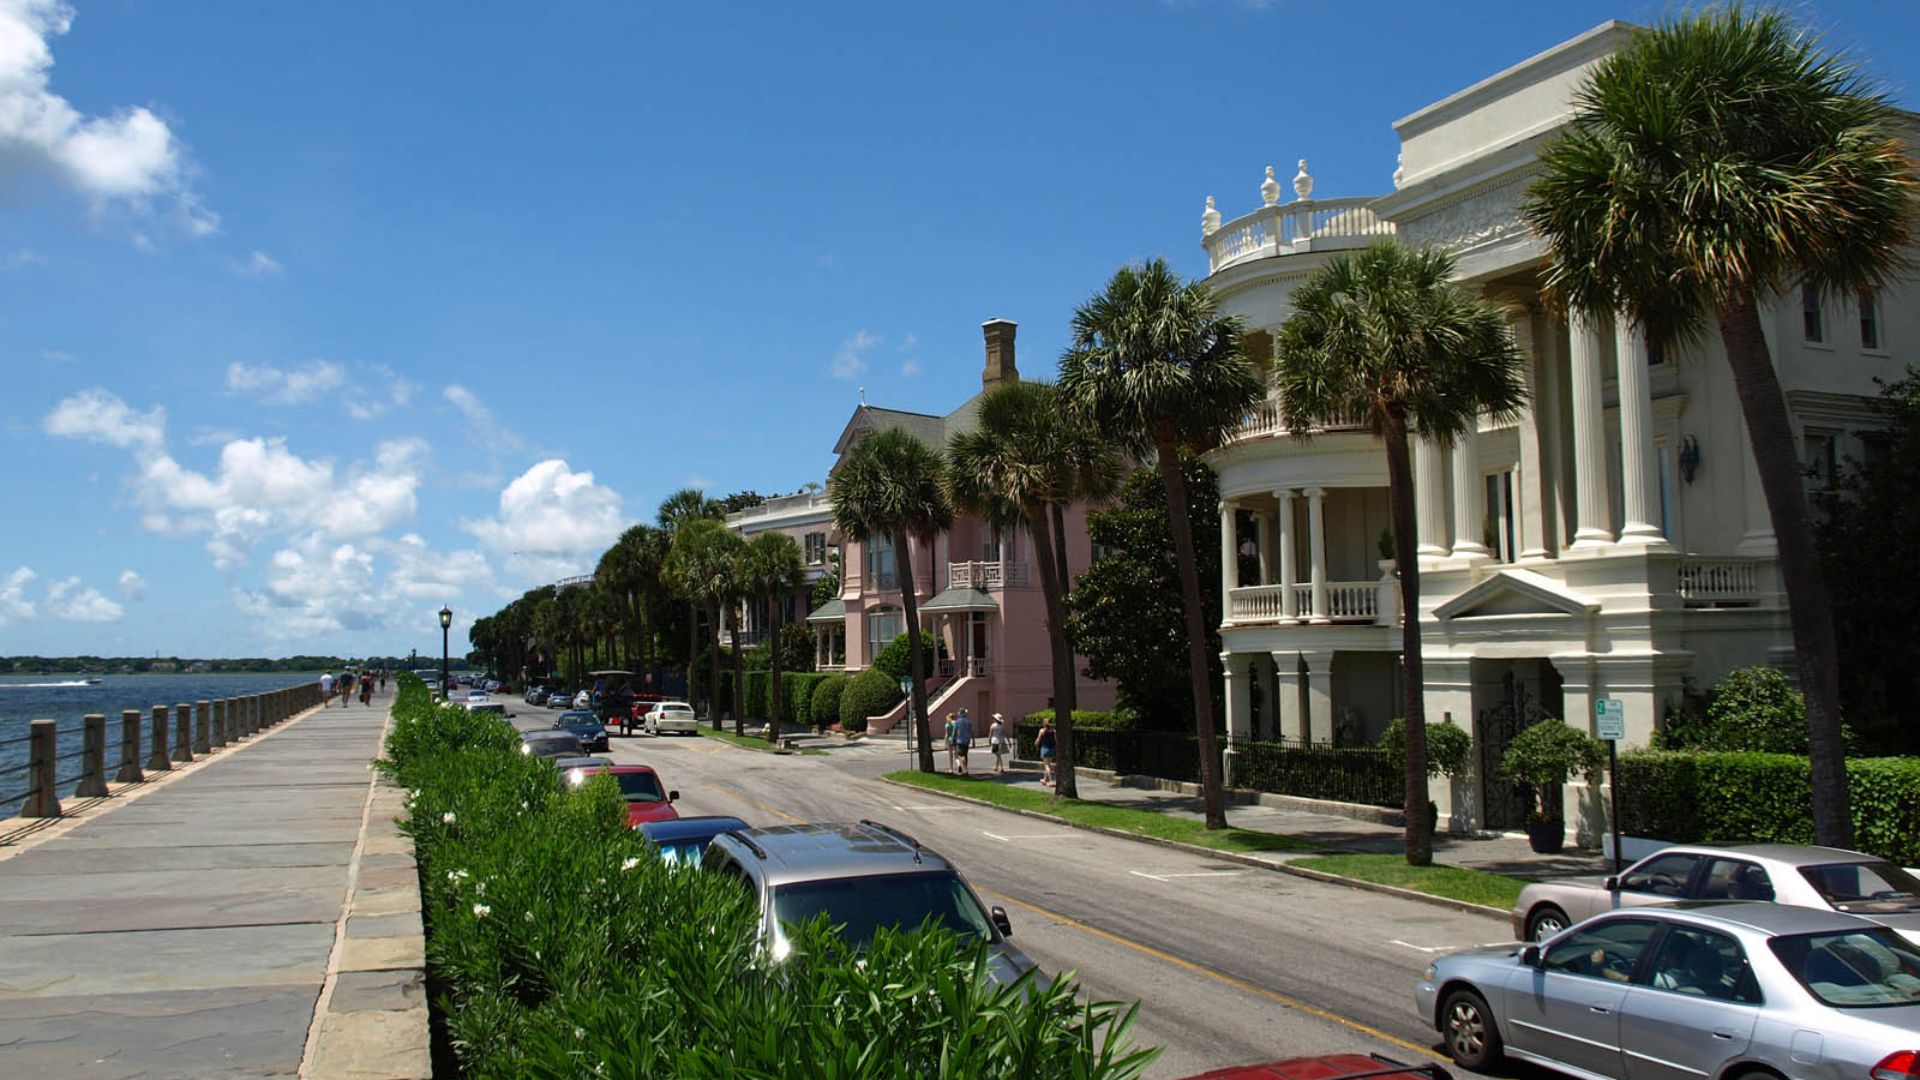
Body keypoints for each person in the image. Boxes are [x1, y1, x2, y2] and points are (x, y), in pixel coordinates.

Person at [951, 708, 973, 777]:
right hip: (967, 740)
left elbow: (954, 731)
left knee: (962, 755)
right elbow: (971, 732)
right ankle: (965, 768)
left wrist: (952, 739)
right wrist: (973, 740)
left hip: (960, 740)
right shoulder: (969, 722)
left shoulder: (957, 722)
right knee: (965, 755)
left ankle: (965, 770)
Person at [1037, 718, 1057, 786]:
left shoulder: (1042, 730)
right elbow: (1056, 740)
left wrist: (1036, 743)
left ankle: (1051, 781)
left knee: (1046, 765)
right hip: (1052, 749)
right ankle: (1044, 779)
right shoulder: (1054, 731)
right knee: (1049, 764)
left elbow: (1038, 739)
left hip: (1045, 748)